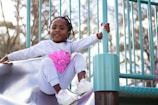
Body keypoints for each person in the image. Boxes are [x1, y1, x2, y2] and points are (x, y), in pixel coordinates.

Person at [0, 15, 110, 105]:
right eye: (54, 27)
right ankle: (60, 94)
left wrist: (99, 35)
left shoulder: (70, 45)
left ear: (68, 33)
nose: (57, 30)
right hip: (47, 86)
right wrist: (9, 57)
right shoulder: (45, 45)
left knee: (77, 56)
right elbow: (27, 53)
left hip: (63, 82)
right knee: (46, 61)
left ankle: (82, 83)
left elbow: (84, 42)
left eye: (62, 28)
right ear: (50, 31)